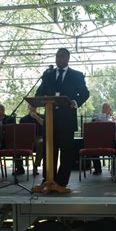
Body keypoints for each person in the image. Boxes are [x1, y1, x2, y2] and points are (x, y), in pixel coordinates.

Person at [36, 48, 89, 187]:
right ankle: (48, 179)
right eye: (57, 56)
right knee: (49, 150)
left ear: (67, 58)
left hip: (67, 119)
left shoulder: (76, 75)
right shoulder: (48, 75)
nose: (58, 59)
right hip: (50, 118)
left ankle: (61, 182)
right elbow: (39, 92)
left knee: (66, 152)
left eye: (61, 56)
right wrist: (39, 98)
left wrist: (75, 102)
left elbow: (84, 93)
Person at [15, 104, 44, 176]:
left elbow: (44, 125)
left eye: (34, 105)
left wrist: (36, 117)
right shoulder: (23, 119)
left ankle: (35, 166)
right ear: (28, 107)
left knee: (41, 143)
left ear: (36, 107)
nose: (32, 107)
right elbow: (20, 132)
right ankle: (19, 168)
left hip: (38, 138)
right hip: (26, 139)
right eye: (31, 105)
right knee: (15, 143)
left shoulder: (42, 117)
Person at [91, 102, 116, 175]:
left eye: (107, 108)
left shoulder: (114, 118)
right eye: (103, 107)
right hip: (99, 140)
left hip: (111, 140)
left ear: (110, 109)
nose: (105, 109)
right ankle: (98, 169)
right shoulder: (97, 117)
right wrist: (96, 121)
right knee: (92, 146)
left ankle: (115, 168)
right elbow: (92, 122)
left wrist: (115, 122)